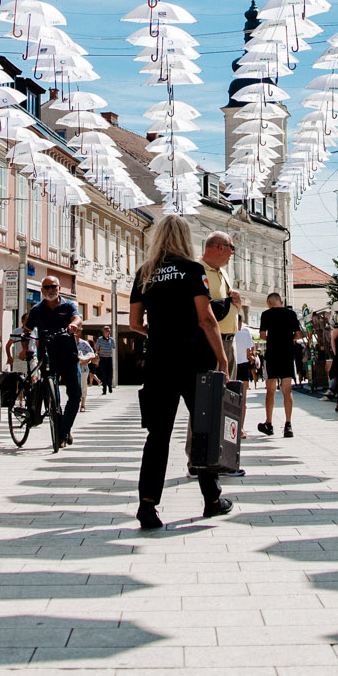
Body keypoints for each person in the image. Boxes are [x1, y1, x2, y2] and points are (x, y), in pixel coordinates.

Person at [128, 215, 233, 530]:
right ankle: (211, 500)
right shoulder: (192, 269)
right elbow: (206, 318)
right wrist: (222, 360)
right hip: (194, 360)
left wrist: (160, 335)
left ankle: (147, 506)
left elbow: (135, 323)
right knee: (203, 429)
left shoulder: (144, 273)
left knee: (157, 435)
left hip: (159, 362)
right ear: (185, 239)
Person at [25, 276, 84, 449]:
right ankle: (61, 434)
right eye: (47, 287)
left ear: (59, 288)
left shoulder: (67, 305)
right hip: (48, 356)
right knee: (52, 398)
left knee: (75, 396)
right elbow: (27, 330)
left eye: (54, 287)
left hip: (69, 355)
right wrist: (25, 348)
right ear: (42, 290)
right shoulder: (37, 310)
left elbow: (77, 318)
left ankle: (64, 429)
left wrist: (74, 325)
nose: (50, 290)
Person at [257, 292, 300, 437]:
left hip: (272, 355)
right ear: (281, 301)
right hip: (287, 355)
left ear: (269, 303)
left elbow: (263, 335)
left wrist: (273, 338)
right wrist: (288, 339)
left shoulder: (266, 315)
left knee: (271, 390)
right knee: (287, 390)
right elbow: (299, 335)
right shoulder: (291, 314)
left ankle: (269, 423)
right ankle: (288, 425)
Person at [201, 232, 239, 334]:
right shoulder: (196, 270)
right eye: (231, 247)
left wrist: (237, 304)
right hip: (209, 340)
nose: (232, 252)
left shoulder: (224, 273)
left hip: (230, 340)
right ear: (220, 247)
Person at [231, 293, 257, 384]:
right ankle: (243, 398)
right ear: (240, 322)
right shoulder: (245, 332)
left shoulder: (229, 332)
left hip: (232, 361)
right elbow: (248, 351)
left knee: (232, 384)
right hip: (243, 362)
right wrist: (250, 357)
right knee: (244, 384)